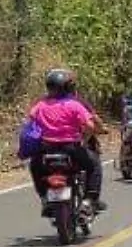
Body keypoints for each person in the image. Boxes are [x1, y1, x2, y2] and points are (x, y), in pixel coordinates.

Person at [27, 68, 107, 212]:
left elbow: (31, 122)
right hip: (71, 148)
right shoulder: (74, 105)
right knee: (94, 165)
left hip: (46, 149)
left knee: (35, 167)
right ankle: (90, 199)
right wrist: (84, 139)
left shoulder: (40, 105)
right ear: (68, 87)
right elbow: (90, 125)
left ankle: (45, 198)